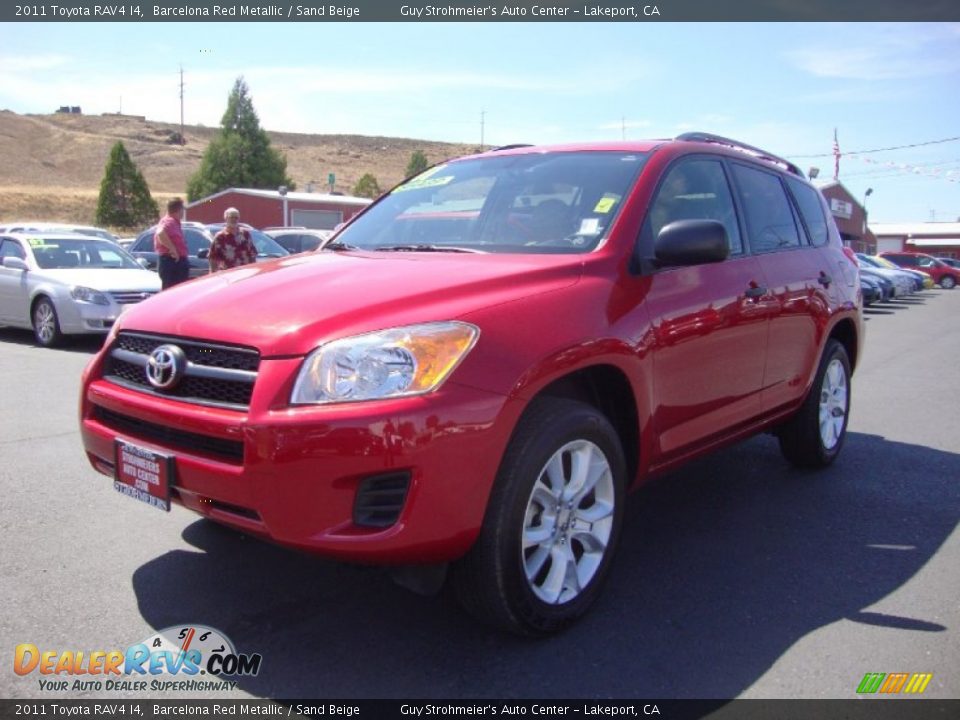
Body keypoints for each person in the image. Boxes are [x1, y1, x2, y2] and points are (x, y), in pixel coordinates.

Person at [154, 197, 190, 289]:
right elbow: (160, 232)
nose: (183, 212)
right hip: (171, 262)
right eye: (182, 209)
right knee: (172, 292)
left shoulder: (174, 222)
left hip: (175, 263)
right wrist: (172, 249)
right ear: (178, 209)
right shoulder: (169, 221)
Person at [209, 207, 257, 272]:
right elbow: (213, 257)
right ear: (226, 218)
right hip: (228, 274)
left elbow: (252, 254)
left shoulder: (245, 234)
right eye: (231, 217)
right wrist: (212, 273)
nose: (234, 219)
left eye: (236, 217)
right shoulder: (220, 237)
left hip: (245, 272)